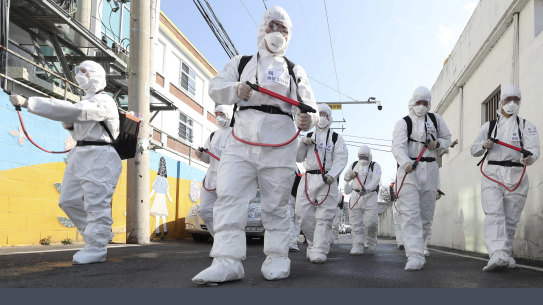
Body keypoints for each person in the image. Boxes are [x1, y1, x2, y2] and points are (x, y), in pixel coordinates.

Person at [192, 6, 319, 284]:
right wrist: (235, 89)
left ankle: (276, 257)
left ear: (290, 35)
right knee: (229, 198)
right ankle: (227, 261)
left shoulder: (294, 70)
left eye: (284, 29)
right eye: (273, 25)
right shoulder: (241, 62)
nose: (278, 32)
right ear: (263, 28)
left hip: (280, 144)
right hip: (241, 141)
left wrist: (309, 118)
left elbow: (311, 107)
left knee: (276, 205)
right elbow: (215, 86)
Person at [9, 60, 122, 264]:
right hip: (80, 152)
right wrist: (71, 128)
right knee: (68, 200)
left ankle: (97, 248)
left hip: (100, 155)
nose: (80, 74)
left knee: (96, 203)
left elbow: (76, 111)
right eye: (78, 70)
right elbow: (77, 117)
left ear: (97, 75)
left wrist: (29, 102)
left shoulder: (104, 101)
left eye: (86, 71)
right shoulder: (87, 100)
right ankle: (97, 236)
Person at [471, 85, 539, 271]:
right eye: (508, 99)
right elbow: (473, 149)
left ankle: (504, 254)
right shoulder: (489, 126)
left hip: (517, 175)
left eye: (516, 100)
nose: (512, 103)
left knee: (510, 218)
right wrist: (484, 145)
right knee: (494, 213)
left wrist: (529, 157)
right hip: (492, 174)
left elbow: (534, 150)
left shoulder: (526, 126)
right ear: (501, 102)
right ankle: (497, 253)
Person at [391, 86, 451, 270]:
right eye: (419, 102)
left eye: (426, 103)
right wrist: (405, 162)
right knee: (410, 214)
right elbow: (397, 146)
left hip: (431, 168)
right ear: (412, 103)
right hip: (410, 170)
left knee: (426, 214)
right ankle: (414, 255)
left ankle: (421, 246)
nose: (422, 106)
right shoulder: (403, 123)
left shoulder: (436, 119)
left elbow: (447, 139)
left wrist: (437, 143)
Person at [295, 103, 348, 263]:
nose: (323, 118)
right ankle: (313, 243)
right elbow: (297, 158)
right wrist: (303, 143)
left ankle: (319, 249)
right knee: (302, 214)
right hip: (308, 178)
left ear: (330, 118)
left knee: (324, 217)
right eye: (320, 114)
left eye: (326, 114)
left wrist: (332, 175)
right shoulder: (308, 136)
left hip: (327, 180)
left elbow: (341, 158)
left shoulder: (336, 138)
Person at [194, 105, 233, 236]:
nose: (219, 117)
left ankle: (229, 246)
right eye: (216, 114)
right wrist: (200, 155)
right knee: (204, 210)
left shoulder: (236, 134)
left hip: (229, 178)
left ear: (229, 115)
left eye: (222, 114)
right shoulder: (212, 136)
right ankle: (219, 241)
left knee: (227, 213)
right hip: (211, 178)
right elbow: (207, 159)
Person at [343, 145, 382, 255]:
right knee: (356, 223)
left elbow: (376, 180)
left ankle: (371, 241)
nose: (363, 159)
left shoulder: (375, 166)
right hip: (355, 195)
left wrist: (367, 188)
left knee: (371, 222)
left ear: (369, 156)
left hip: (370, 196)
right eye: (361, 157)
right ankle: (357, 245)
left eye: (365, 157)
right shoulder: (354, 165)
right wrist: (350, 175)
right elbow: (346, 177)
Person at [149, 157, 173, 239]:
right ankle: (165, 229)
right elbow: (167, 190)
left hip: (158, 197)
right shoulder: (165, 179)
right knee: (163, 214)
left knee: (157, 215)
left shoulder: (158, 178)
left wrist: (149, 197)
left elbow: (154, 189)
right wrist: (169, 198)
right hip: (162, 198)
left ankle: (158, 230)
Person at [287, 168, 303, 251]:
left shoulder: (291, 167)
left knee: (290, 220)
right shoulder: (297, 169)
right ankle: (295, 240)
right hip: (297, 197)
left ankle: (291, 242)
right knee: (296, 221)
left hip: (290, 196)